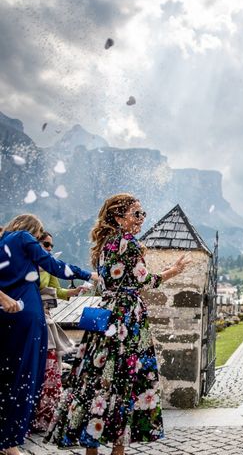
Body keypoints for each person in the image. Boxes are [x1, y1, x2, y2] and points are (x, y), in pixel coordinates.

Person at [45, 194, 191, 455]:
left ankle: (92, 443)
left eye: (142, 214)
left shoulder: (105, 245)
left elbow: (107, 283)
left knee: (99, 379)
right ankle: (118, 449)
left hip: (106, 315)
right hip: (126, 319)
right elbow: (145, 282)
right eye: (136, 214)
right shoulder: (128, 243)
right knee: (126, 380)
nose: (141, 219)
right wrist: (173, 271)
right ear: (118, 217)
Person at [0, 214, 96, 455]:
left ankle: (3, 437)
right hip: (28, 317)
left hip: (6, 315)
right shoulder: (23, 237)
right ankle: (10, 443)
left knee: (6, 378)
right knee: (25, 379)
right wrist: (88, 274)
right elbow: (53, 265)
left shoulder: (2, 242)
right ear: (33, 231)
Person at [31, 231, 87, 432]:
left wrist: (74, 291)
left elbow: (58, 291)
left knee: (50, 366)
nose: (49, 249)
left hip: (44, 318)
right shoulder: (22, 265)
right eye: (46, 244)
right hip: (27, 318)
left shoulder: (48, 267)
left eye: (51, 246)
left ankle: (43, 417)